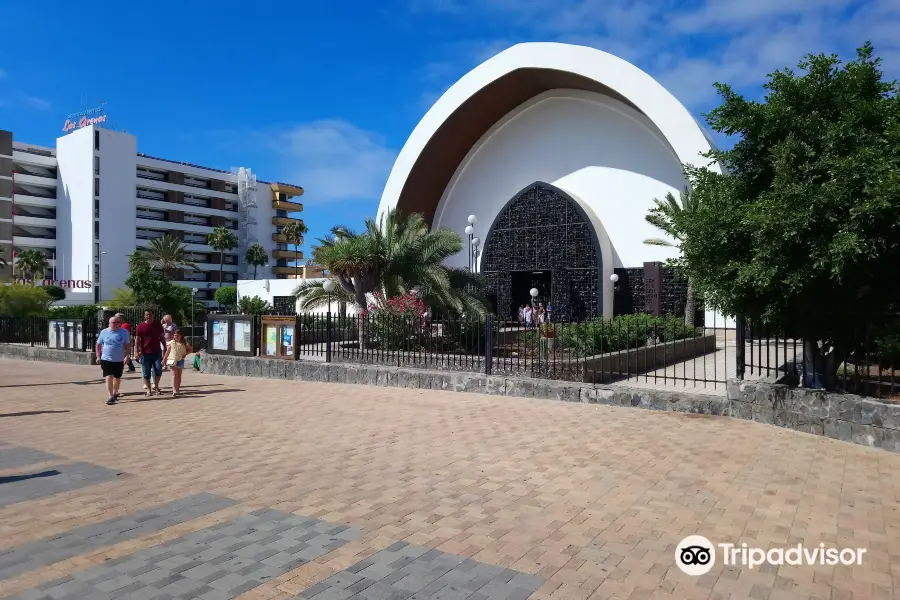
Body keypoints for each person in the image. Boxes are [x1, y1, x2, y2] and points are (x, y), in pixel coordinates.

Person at [96, 315, 131, 406]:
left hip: (119, 359)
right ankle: (110, 396)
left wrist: (127, 356)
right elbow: (98, 345)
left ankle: (115, 392)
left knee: (117, 378)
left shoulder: (124, 332)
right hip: (106, 358)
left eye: (117, 322)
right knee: (109, 376)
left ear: (120, 323)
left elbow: (127, 345)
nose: (115, 324)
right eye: (113, 322)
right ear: (109, 323)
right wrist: (98, 356)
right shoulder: (104, 332)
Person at [134, 309, 166, 396]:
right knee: (146, 372)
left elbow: (162, 338)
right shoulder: (140, 326)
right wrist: (136, 351)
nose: (149, 316)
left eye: (150, 314)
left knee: (158, 369)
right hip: (145, 353)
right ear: (145, 316)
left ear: (153, 315)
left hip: (157, 352)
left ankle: (156, 386)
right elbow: (137, 340)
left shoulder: (158, 325)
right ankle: (149, 390)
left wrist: (165, 348)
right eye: (147, 315)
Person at [162, 329, 192, 397]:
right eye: (175, 335)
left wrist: (186, 354)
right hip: (172, 360)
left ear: (181, 336)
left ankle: (178, 389)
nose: (176, 337)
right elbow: (167, 352)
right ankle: (174, 390)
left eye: (178, 335)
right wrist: (164, 360)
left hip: (180, 360)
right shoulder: (171, 343)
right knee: (174, 375)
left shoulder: (184, 343)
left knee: (179, 375)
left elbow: (190, 349)